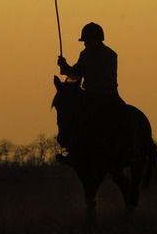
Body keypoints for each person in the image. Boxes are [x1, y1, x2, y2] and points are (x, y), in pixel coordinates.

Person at [56, 22, 132, 163]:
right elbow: (76, 74)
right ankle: (73, 149)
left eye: (87, 41)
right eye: (84, 42)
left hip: (108, 95)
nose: (85, 44)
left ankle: (129, 149)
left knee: (122, 115)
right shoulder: (84, 54)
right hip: (89, 95)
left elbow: (105, 77)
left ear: (96, 40)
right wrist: (65, 66)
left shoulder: (110, 55)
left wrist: (86, 78)